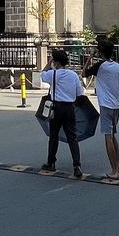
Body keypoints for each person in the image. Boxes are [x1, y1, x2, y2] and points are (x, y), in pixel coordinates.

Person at [83, 39, 119, 180]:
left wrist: (90, 56)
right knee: (113, 134)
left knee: (108, 137)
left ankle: (114, 170)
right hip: (117, 105)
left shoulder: (100, 66)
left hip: (106, 105)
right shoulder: (118, 66)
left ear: (100, 52)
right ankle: (118, 165)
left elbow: (84, 73)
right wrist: (116, 90)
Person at [40, 48, 84, 177]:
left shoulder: (53, 74)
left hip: (57, 107)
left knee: (53, 136)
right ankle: (77, 165)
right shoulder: (73, 75)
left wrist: (48, 63)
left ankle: (51, 162)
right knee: (72, 137)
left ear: (56, 62)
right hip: (70, 107)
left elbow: (42, 75)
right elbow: (79, 93)